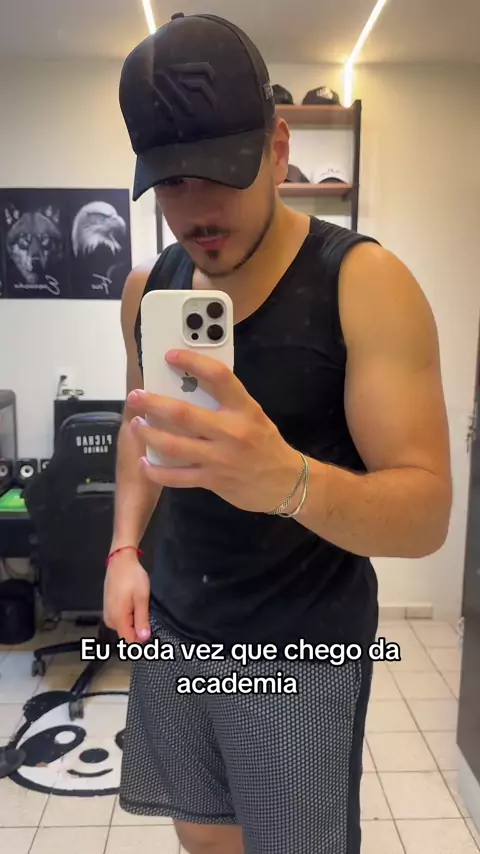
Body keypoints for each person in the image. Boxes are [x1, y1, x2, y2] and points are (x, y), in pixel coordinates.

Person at [104, 12, 452, 854]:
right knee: (202, 840)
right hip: (174, 625)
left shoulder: (365, 284)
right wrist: (123, 548)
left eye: (220, 174)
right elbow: (139, 426)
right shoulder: (151, 288)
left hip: (301, 649)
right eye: (172, 184)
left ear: (279, 147)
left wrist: (286, 481)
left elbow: (425, 516)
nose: (196, 211)